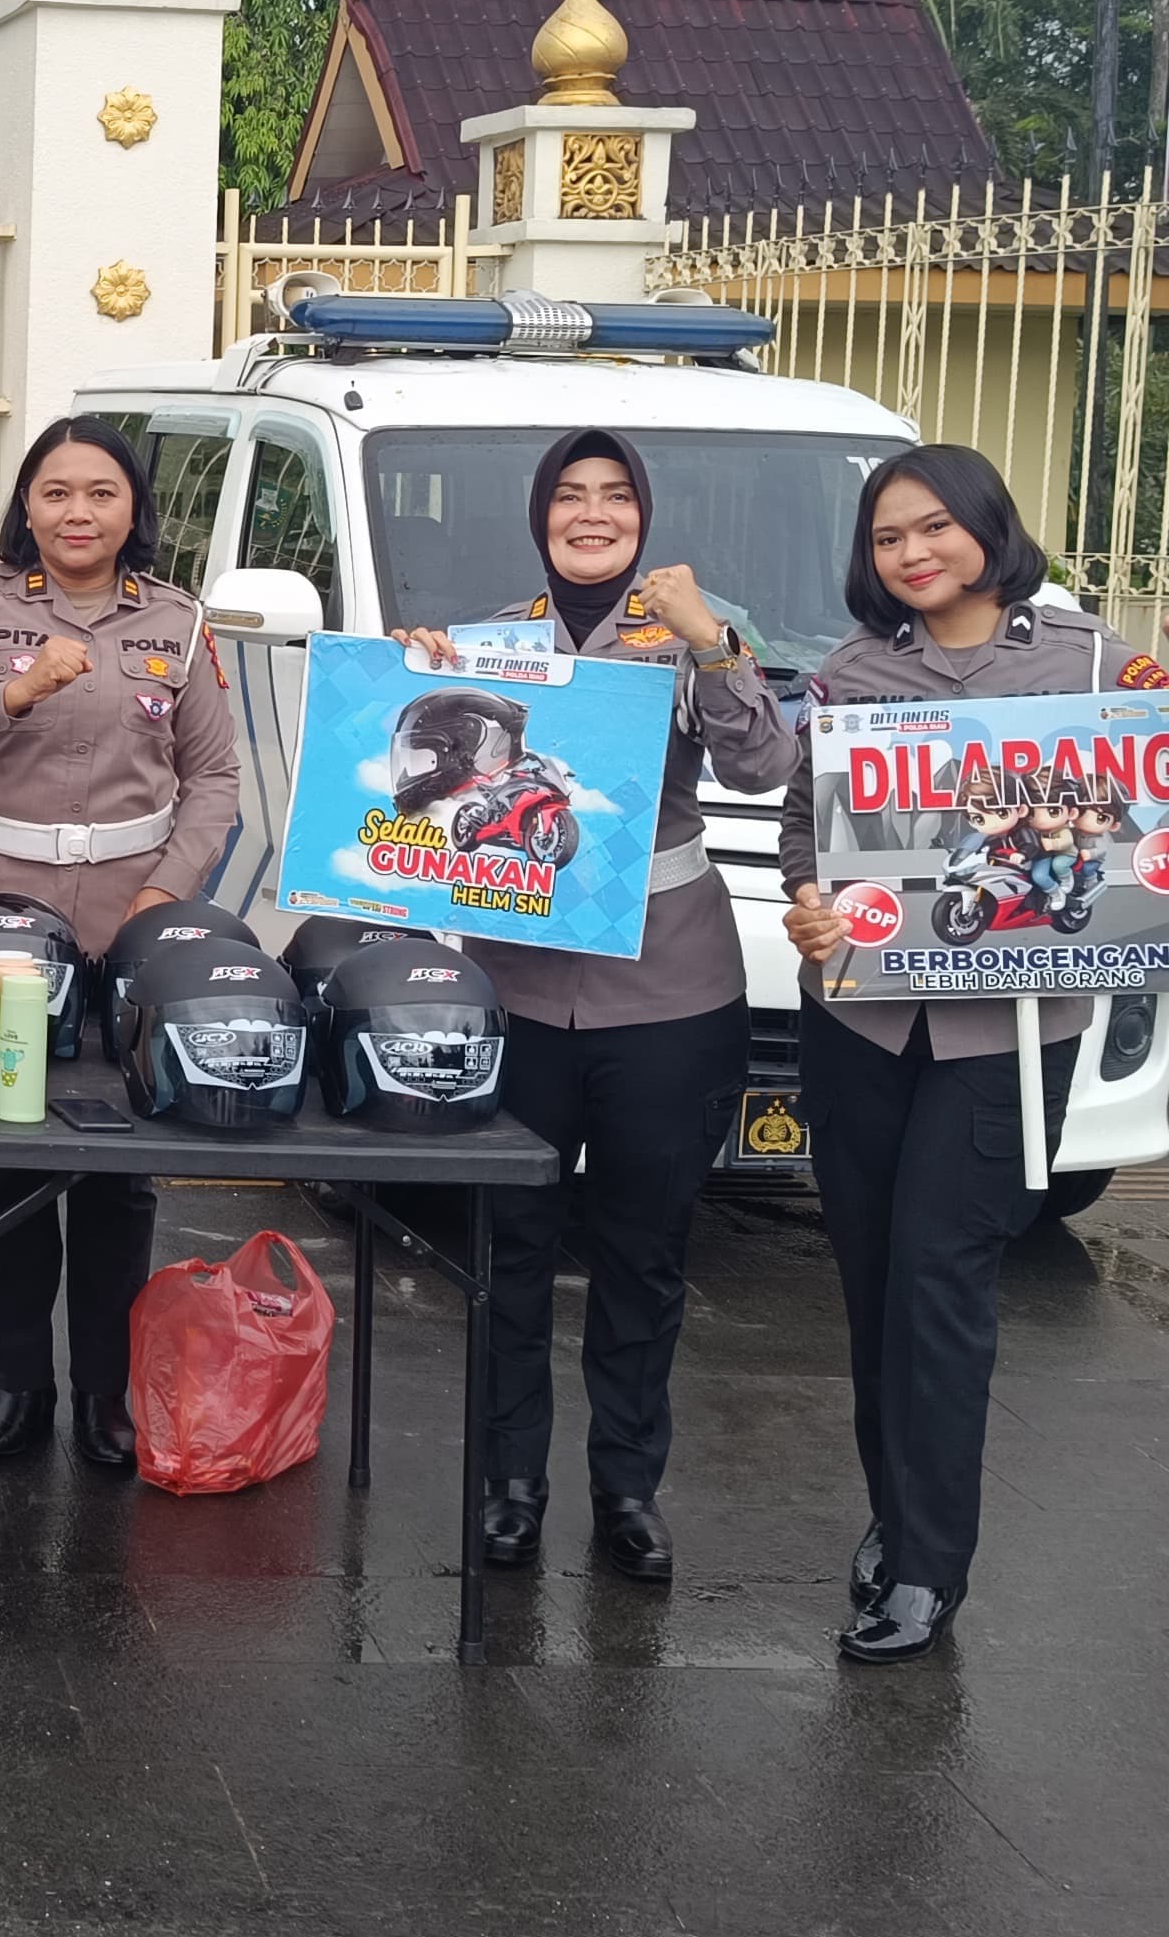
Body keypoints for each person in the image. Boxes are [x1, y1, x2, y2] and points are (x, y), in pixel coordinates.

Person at [781, 445, 1167, 1662]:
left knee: (941, 1285)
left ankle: (929, 1570)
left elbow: (1146, 818)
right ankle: (898, 1517)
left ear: (990, 529)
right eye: (889, 538)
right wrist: (808, 901)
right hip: (861, 1015)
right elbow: (807, 826)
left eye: (934, 529)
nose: (912, 555)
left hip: (1007, 1035)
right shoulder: (851, 674)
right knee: (871, 1285)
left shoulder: (1098, 663)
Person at [396, 429, 795, 1584]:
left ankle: (627, 1487)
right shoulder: (494, 642)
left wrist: (713, 644)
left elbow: (765, 765)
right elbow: (423, 788)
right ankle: (508, 1489)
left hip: (669, 992)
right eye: (569, 495)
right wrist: (420, 675)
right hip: (516, 991)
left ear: (644, 516)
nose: (591, 513)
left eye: (614, 496)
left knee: (641, 1253)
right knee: (508, 1249)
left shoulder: (696, 625)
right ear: (540, 517)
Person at [0, 416, 241, 1468]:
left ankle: (105, 1395)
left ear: (132, 508)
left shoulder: (176, 623)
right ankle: (18, 1386)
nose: (77, 512)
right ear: (27, 505)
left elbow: (215, 778)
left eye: (100, 492)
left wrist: (166, 892)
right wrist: (16, 690)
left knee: (118, 1171)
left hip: (132, 910)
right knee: (4, 1156)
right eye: (55, 492)